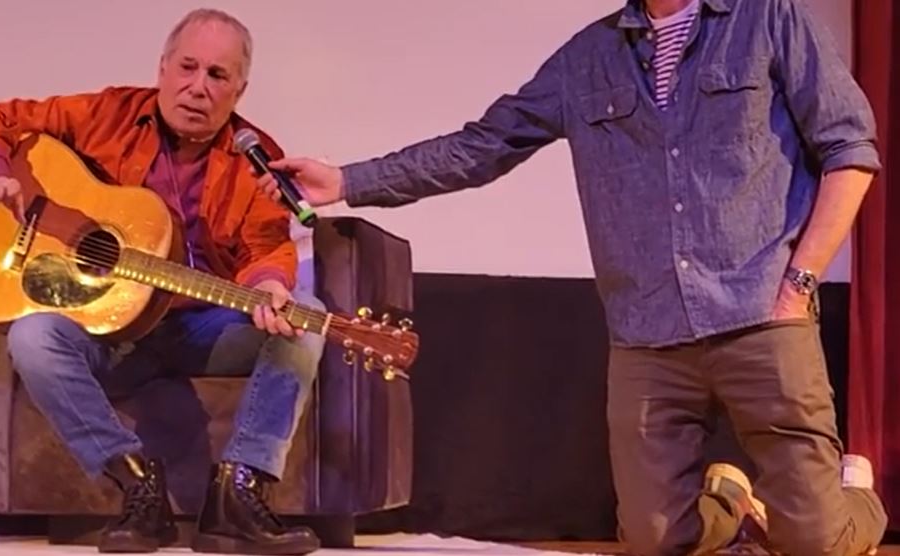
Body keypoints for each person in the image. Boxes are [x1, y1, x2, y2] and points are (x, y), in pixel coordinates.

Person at [256, 0, 888, 554]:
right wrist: (348, 182)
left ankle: (855, 492)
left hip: (760, 315)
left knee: (815, 540)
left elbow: (850, 150)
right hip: (648, 334)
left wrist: (799, 284)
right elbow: (480, 146)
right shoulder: (589, 57)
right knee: (653, 539)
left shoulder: (770, 18)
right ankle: (732, 505)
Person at [0, 8, 323, 556]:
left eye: (217, 75)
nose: (198, 87)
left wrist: (269, 283)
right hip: (111, 332)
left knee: (305, 317)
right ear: (163, 68)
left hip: (201, 331)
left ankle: (239, 493)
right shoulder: (107, 115)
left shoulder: (256, 158)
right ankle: (137, 484)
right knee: (33, 338)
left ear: (239, 90)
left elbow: (265, 245)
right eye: (187, 67)